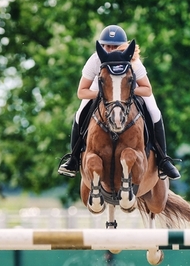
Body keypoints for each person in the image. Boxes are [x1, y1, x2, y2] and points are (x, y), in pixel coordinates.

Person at [58, 25, 180, 180]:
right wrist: (105, 94)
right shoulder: (95, 59)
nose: (110, 49)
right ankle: (73, 159)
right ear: (102, 46)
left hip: (130, 89)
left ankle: (163, 159)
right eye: (107, 46)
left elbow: (147, 89)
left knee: (155, 111)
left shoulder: (133, 62)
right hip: (103, 88)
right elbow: (81, 92)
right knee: (80, 113)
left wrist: (124, 92)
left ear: (122, 46)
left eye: (114, 46)